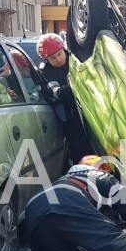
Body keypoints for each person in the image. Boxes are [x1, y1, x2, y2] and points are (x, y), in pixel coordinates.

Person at [37, 33, 94, 164]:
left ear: (64, 49)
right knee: (81, 155)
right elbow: (57, 93)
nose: (58, 59)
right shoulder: (46, 72)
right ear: (47, 59)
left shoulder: (77, 59)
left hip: (93, 110)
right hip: (73, 119)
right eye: (52, 58)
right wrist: (74, 84)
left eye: (59, 54)